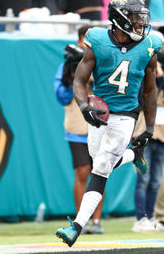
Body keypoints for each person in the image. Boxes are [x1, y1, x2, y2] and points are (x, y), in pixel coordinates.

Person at [55, 0, 160, 247]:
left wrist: (151, 127)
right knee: (98, 160)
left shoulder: (149, 46)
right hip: (100, 112)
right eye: (135, 18)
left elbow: (150, 91)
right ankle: (134, 155)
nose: (140, 24)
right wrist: (83, 106)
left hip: (126, 115)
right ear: (120, 19)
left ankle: (77, 227)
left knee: (101, 167)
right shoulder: (98, 40)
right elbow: (79, 81)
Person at [54, 25, 106, 235]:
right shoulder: (66, 65)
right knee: (83, 173)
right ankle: (80, 220)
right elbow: (61, 97)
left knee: (100, 173)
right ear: (79, 41)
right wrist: (72, 79)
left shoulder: (101, 61)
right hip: (77, 128)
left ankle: (97, 221)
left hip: (99, 127)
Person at [131, 43, 164, 232]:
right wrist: (153, 72)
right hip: (145, 134)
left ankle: (151, 217)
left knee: (156, 180)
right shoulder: (146, 78)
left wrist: (161, 76)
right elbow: (139, 97)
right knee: (143, 178)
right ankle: (140, 219)